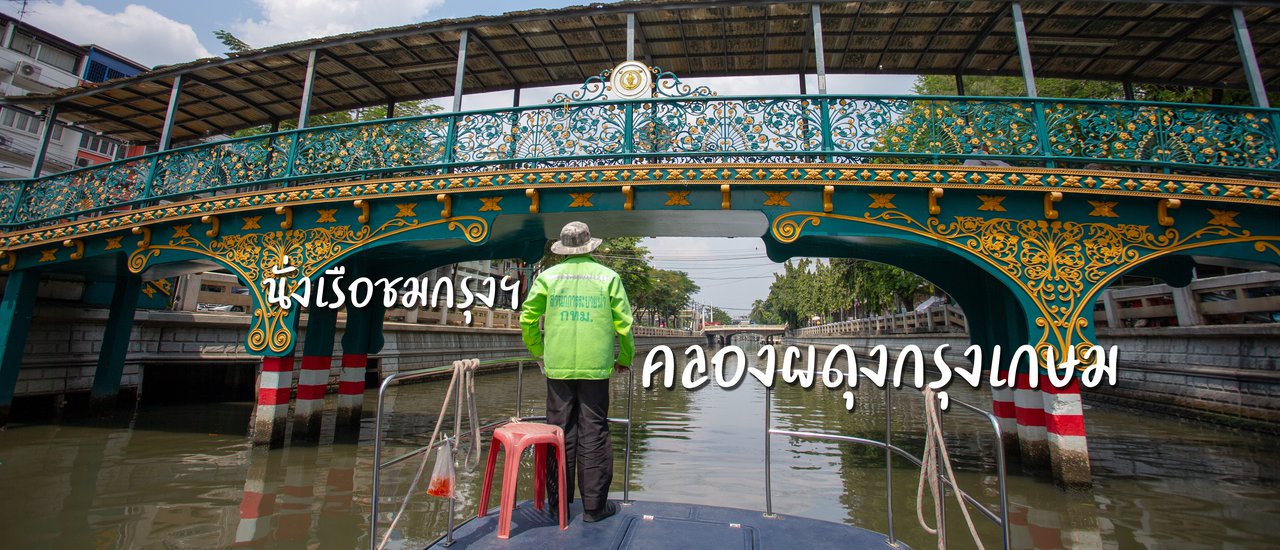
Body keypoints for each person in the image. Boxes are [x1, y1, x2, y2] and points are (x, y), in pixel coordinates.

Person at [519, 221, 635, 523]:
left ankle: (559, 506)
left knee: (559, 433)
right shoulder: (608, 277)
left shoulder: (548, 277)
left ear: (562, 250)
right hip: (596, 367)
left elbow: (527, 319)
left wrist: (537, 351)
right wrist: (624, 357)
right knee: (594, 432)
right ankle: (594, 508)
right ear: (589, 246)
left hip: (557, 368)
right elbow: (624, 324)